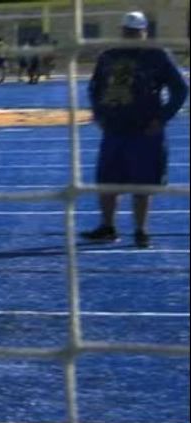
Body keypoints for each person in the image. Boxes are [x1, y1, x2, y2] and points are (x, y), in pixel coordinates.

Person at [81, 11, 188, 248]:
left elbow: (180, 89)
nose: (131, 36)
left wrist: (162, 118)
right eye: (128, 32)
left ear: (145, 32)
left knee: (143, 183)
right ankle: (107, 227)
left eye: (135, 32)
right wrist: (99, 113)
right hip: (114, 129)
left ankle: (141, 230)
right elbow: (95, 87)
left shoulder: (158, 56)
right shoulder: (108, 56)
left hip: (145, 131)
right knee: (107, 182)